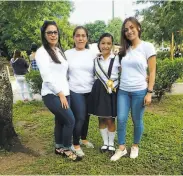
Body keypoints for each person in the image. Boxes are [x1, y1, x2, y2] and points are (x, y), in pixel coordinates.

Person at [111, 17, 156, 161]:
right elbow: (113, 64)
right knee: (122, 119)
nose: (129, 31)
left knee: (137, 120)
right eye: (126, 30)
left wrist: (149, 92)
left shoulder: (147, 47)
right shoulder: (124, 50)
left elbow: (153, 71)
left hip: (139, 91)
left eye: (131, 27)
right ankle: (122, 148)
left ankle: (135, 145)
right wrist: (100, 55)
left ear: (138, 28)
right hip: (123, 91)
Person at [35, 20, 81, 161]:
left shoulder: (58, 50)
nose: (53, 35)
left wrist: (64, 92)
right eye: (49, 32)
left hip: (64, 92)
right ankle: (67, 148)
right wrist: (60, 94)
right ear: (44, 34)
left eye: (55, 32)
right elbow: (46, 77)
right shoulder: (42, 52)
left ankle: (59, 146)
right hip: (52, 94)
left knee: (60, 121)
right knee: (70, 120)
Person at [65, 26, 95, 157]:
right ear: (74, 37)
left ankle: (84, 139)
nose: (81, 38)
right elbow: (62, 72)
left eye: (83, 35)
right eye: (78, 35)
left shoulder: (92, 53)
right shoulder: (67, 54)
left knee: (87, 116)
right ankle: (75, 144)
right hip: (75, 90)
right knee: (80, 117)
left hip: (90, 89)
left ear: (87, 38)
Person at [88, 33, 120, 155]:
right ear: (99, 44)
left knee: (110, 119)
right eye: (103, 43)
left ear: (112, 45)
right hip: (99, 90)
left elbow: (123, 74)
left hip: (112, 90)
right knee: (101, 118)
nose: (105, 46)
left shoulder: (117, 58)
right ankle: (105, 142)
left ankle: (111, 144)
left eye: (108, 43)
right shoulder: (95, 60)